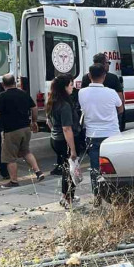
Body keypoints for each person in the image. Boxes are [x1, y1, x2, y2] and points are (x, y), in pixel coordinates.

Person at [0, 74, 44, 189]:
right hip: (26, 128)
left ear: (3, 84)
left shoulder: (3, 96)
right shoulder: (23, 93)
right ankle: (38, 172)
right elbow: (34, 108)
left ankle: (14, 181)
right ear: (14, 82)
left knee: (9, 157)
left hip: (12, 131)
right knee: (26, 151)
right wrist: (34, 121)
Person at [79, 64, 123, 203]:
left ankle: (97, 196)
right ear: (104, 76)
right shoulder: (111, 92)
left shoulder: (82, 93)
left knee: (95, 168)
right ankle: (113, 195)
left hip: (92, 134)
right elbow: (120, 108)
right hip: (112, 134)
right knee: (114, 166)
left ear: (89, 76)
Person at [46, 75, 83, 207]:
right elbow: (67, 128)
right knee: (70, 170)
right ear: (64, 87)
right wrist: (72, 149)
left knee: (66, 169)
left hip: (55, 139)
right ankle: (69, 199)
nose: (72, 87)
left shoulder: (52, 101)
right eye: (71, 84)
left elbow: (48, 122)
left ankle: (65, 196)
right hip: (65, 140)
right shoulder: (65, 105)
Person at [79, 53, 124, 132]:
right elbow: (120, 104)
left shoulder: (84, 81)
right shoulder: (113, 79)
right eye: (108, 63)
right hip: (110, 124)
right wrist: (119, 115)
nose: (109, 65)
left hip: (92, 125)